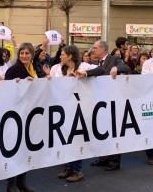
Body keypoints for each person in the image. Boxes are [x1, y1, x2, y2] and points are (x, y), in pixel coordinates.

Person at [76, 40, 129, 171]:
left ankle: (114, 161)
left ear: (102, 49)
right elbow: (97, 71)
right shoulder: (95, 63)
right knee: (102, 129)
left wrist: (116, 68)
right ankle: (104, 157)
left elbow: (125, 67)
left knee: (113, 131)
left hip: (112, 101)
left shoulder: (114, 59)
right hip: (99, 101)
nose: (92, 50)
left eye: (94, 48)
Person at [51, 45, 97, 182]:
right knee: (67, 139)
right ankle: (69, 167)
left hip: (80, 109)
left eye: (63, 54)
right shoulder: (60, 69)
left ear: (70, 56)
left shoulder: (83, 66)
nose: (60, 57)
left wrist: (84, 74)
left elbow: (101, 70)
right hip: (65, 108)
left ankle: (77, 170)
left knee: (77, 139)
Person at [4, 43, 38, 192]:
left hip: (29, 113)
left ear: (32, 54)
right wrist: (18, 84)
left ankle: (22, 181)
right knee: (14, 148)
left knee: (25, 149)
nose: (24, 56)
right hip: (15, 114)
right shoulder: (13, 70)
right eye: (22, 53)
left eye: (27, 53)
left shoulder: (34, 69)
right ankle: (11, 183)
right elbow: (5, 91)